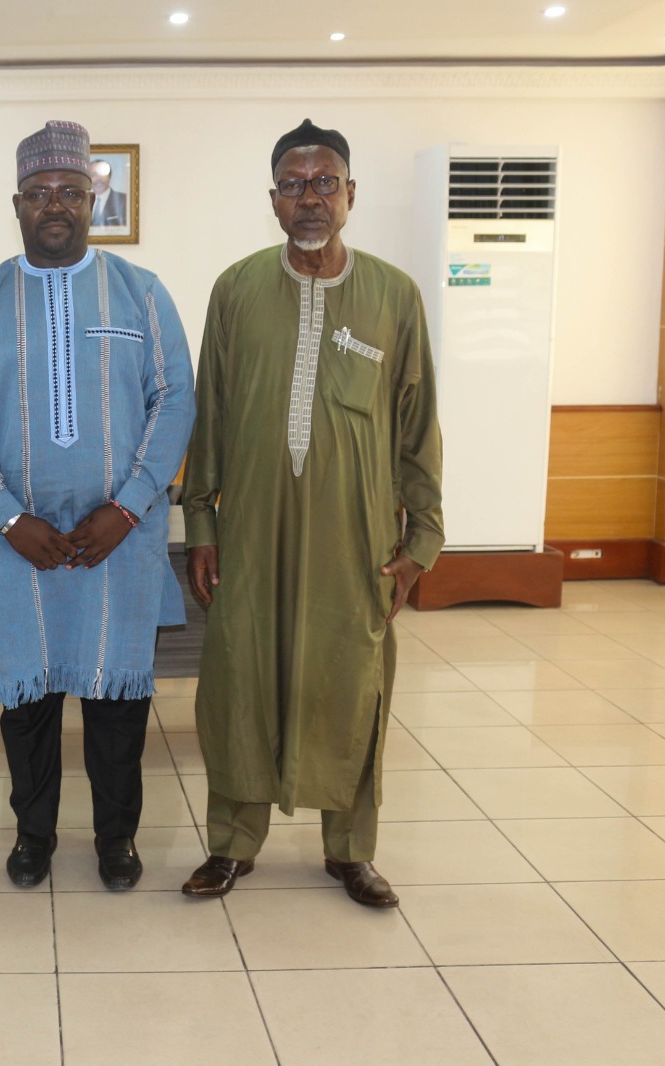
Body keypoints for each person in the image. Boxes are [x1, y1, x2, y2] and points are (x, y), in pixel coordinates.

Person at [180, 119, 443, 908]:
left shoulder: (393, 295)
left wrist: (421, 543)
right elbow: (210, 414)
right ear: (273, 200)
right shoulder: (236, 289)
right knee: (241, 682)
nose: (310, 199)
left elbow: (418, 427)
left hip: (353, 537)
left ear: (350, 194)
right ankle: (232, 845)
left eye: (325, 183)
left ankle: (350, 851)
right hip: (252, 533)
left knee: (350, 683)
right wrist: (201, 527)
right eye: (294, 185)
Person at [0, 120, 195, 891]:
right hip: (19, 545)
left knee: (117, 704)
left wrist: (131, 505)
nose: (55, 205)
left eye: (71, 192)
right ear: (17, 204)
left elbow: (175, 400)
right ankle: (34, 836)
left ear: (92, 201)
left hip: (120, 540)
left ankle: (117, 839)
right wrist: (6, 516)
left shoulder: (142, 294)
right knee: (29, 705)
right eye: (40, 193)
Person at [89, 159, 129, 228]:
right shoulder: (82, 201)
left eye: (102, 174)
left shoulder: (124, 200)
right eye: (93, 175)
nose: (98, 178)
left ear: (109, 177)